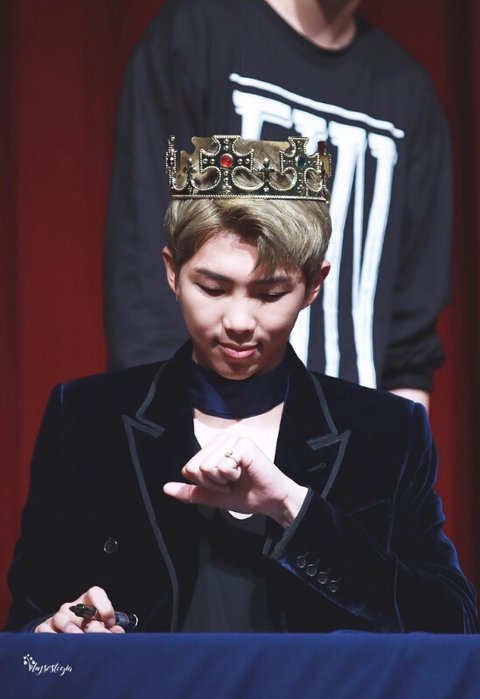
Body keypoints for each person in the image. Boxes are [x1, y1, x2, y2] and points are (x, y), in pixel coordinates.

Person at [5, 135, 477, 634]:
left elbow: (454, 624)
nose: (238, 322)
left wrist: (292, 507)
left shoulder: (388, 431)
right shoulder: (85, 417)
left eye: (269, 294)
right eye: (212, 288)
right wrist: (52, 633)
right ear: (172, 271)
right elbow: (25, 638)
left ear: (314, 285)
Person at [104, 0, 452, 412]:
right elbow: (144, 267)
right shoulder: (199, 33)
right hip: (203, 420)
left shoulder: (407, 89)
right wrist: (165, 428)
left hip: (349, 430)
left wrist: (402, 440)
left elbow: (412, 329)